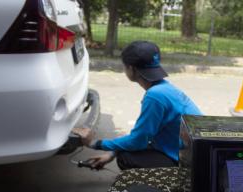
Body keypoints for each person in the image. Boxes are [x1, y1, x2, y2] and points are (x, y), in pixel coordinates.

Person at [75, 41, 202, 170]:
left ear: (131, 68)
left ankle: (170, 183)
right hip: (193, 153)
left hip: (185, 161)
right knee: (123, 143)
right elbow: (145, 135)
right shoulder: (165, 88)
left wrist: (94, 143)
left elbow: (138, 141)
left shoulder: (154, 97)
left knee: (126, 158)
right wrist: (112, 153)